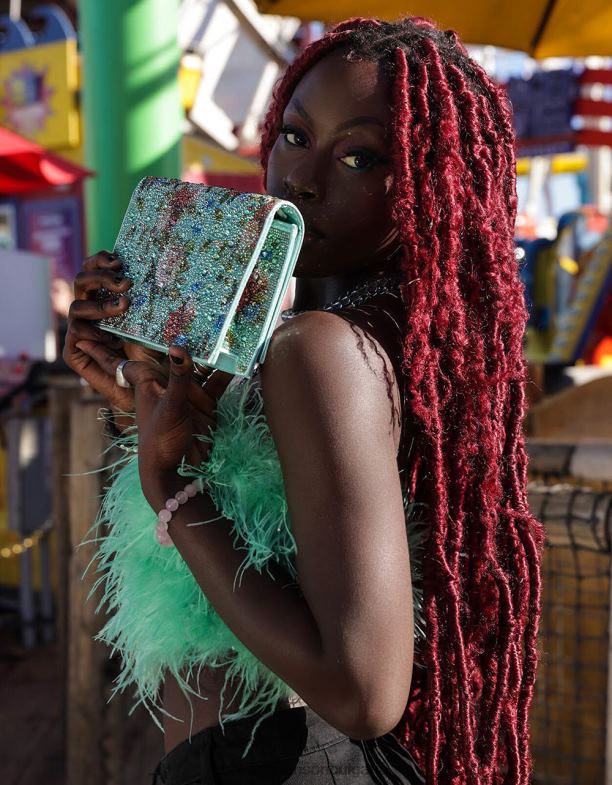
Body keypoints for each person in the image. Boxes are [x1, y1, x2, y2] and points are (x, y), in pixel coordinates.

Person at [64, 16, 544, 785]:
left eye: (360, 156)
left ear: (433, 183)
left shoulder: (320, 348)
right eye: (294, 136)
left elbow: (361, 690)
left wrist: (170, 487)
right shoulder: (380, 337)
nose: (302, 179)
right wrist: (138, 395)